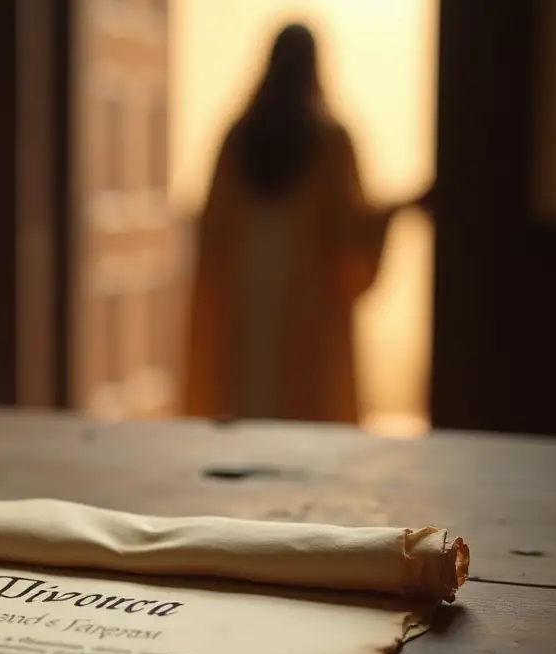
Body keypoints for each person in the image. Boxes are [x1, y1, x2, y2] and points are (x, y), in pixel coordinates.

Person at [182, 23, 430, 424]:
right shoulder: (330, 140)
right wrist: (398, 209)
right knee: (301, 413)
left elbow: (213, 232)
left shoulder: (238, 137)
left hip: (243, 292)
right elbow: (352, 230)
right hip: (307, 298)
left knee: (247, 399)